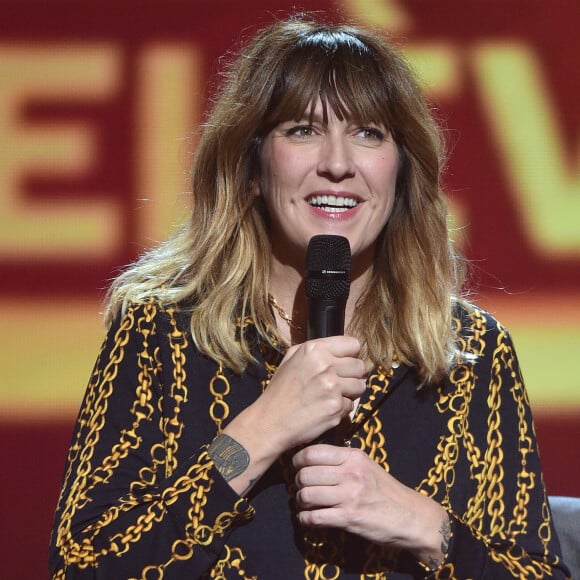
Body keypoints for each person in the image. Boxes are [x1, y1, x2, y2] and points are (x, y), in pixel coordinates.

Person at [49, 15, 571, 579]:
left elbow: (538, 571)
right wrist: (259, 431)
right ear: (251, 167)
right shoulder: (161, 332)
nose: (338, 163)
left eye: (369, 133)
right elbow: (84, 566)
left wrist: (425, 525)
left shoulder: (469, 351)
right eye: (302, 130)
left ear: (400, 174)